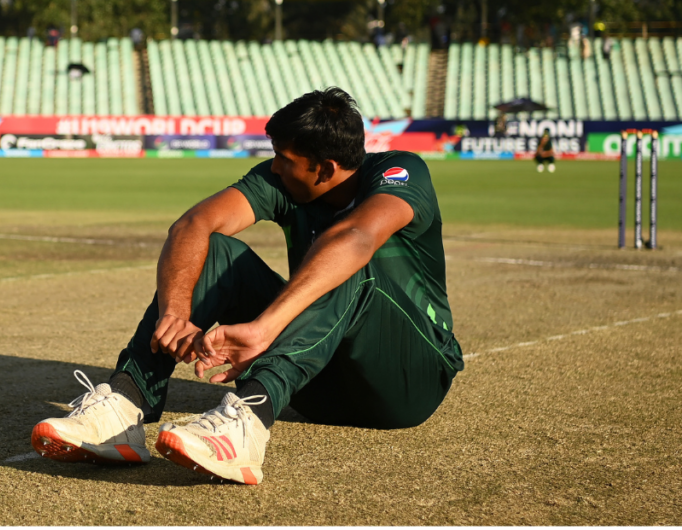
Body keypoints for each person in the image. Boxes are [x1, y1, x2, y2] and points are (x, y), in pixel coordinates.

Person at [31, 88, 464, 485]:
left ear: (325, 168)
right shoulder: (284, 183)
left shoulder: (400, 171)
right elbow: (193, 224)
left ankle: (247, 421)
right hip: (317, 386)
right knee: (214, 249)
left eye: (284, 158)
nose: (274, 167)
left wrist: (264, 329)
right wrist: (175, 312)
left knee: (346, 261)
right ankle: (127, 403)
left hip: (407, 382)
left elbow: (356, 239)